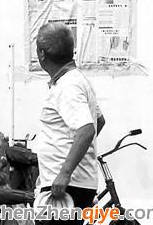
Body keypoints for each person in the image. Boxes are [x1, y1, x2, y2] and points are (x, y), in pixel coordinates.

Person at [35, 23, 105, 210]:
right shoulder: (77, 80)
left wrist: (65, 173)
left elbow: (87, 130)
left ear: (41, 54)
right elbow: (99, 121)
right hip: (73, 183)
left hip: (66, 186)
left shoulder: (68, 86)